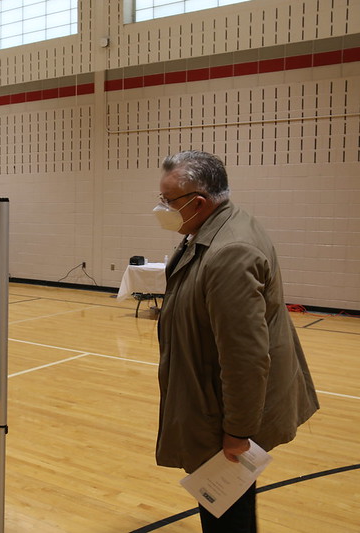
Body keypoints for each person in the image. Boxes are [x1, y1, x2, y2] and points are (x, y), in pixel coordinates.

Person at [152, 150, 319, 532]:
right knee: (226, 503)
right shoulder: (212, 229)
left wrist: (238, 433)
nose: (162, 208)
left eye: (168, 201)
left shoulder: (230, 252)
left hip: (225, 411)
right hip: (215, 398)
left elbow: (245, 356)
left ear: (198, 202)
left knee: (226, 510)